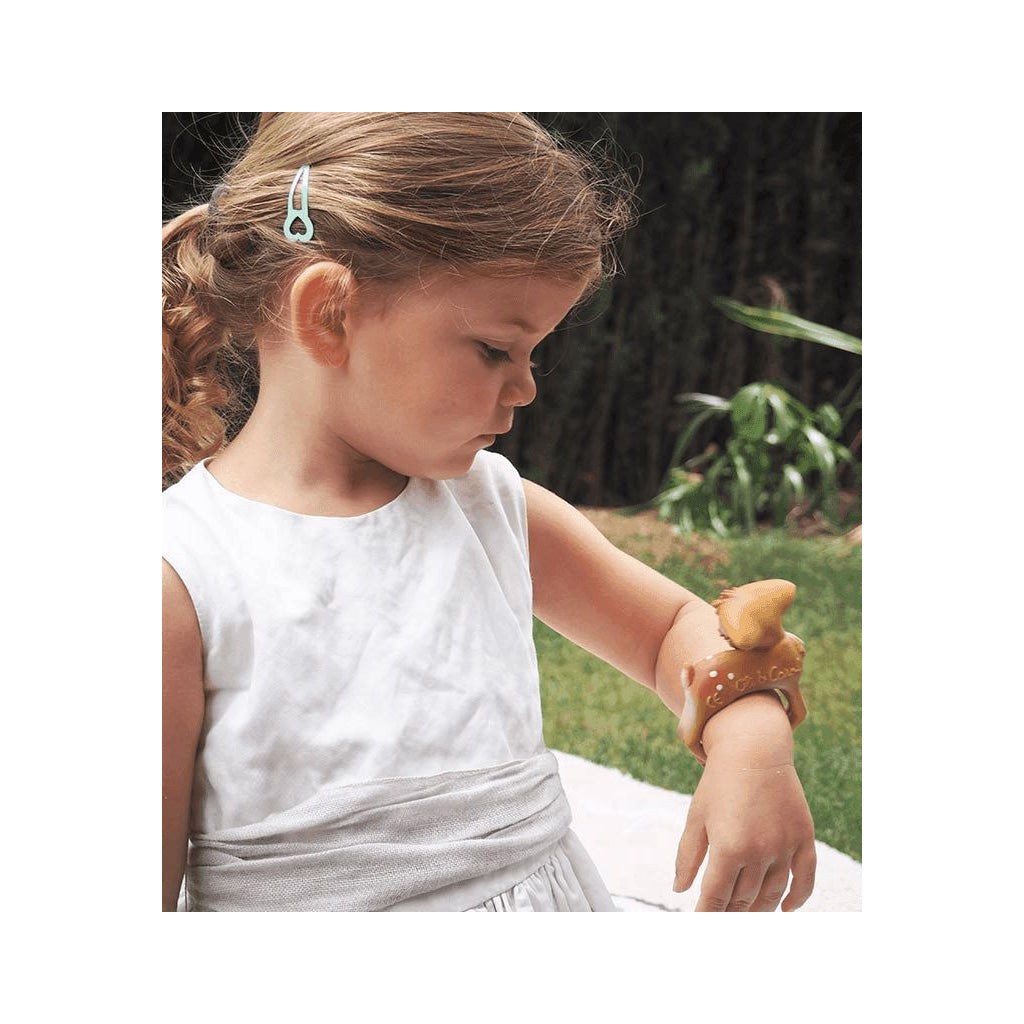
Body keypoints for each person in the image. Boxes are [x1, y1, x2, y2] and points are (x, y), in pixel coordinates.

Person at [162, 112, 816, 912]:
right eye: (496, 349)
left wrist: (750, 738)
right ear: (329, 313)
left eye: (534, 353)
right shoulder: (184, 576)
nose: (527, 387)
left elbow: (668, 630)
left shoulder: (491, 509)